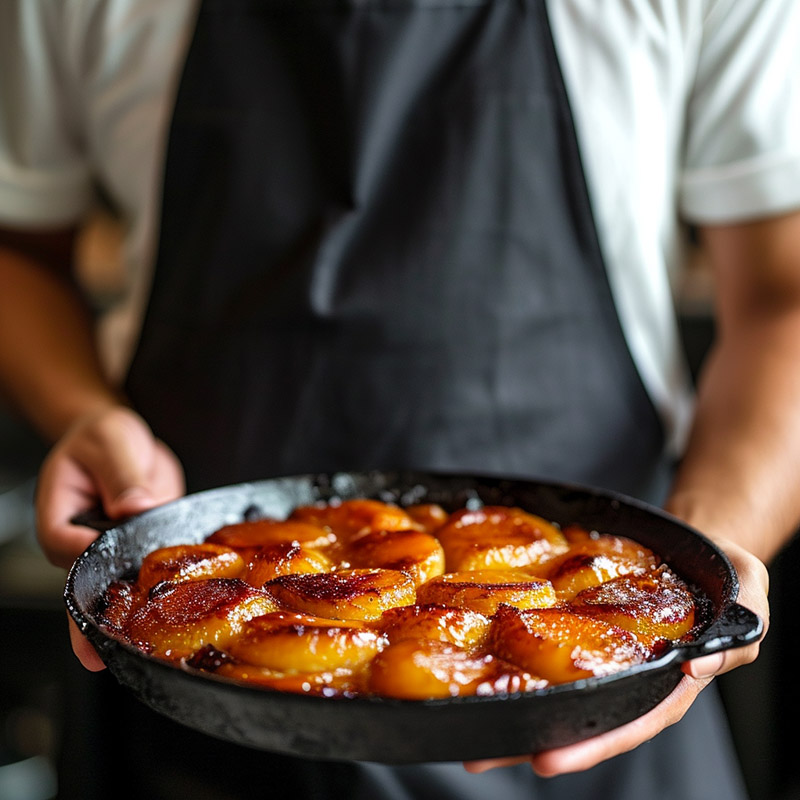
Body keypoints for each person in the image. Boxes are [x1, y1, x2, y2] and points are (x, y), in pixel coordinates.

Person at [1, 0, 798, 797]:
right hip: (190, 670)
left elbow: (783, 294)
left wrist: (708, 551)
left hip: (594, 677)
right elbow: (17, 247)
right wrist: (83, 413)